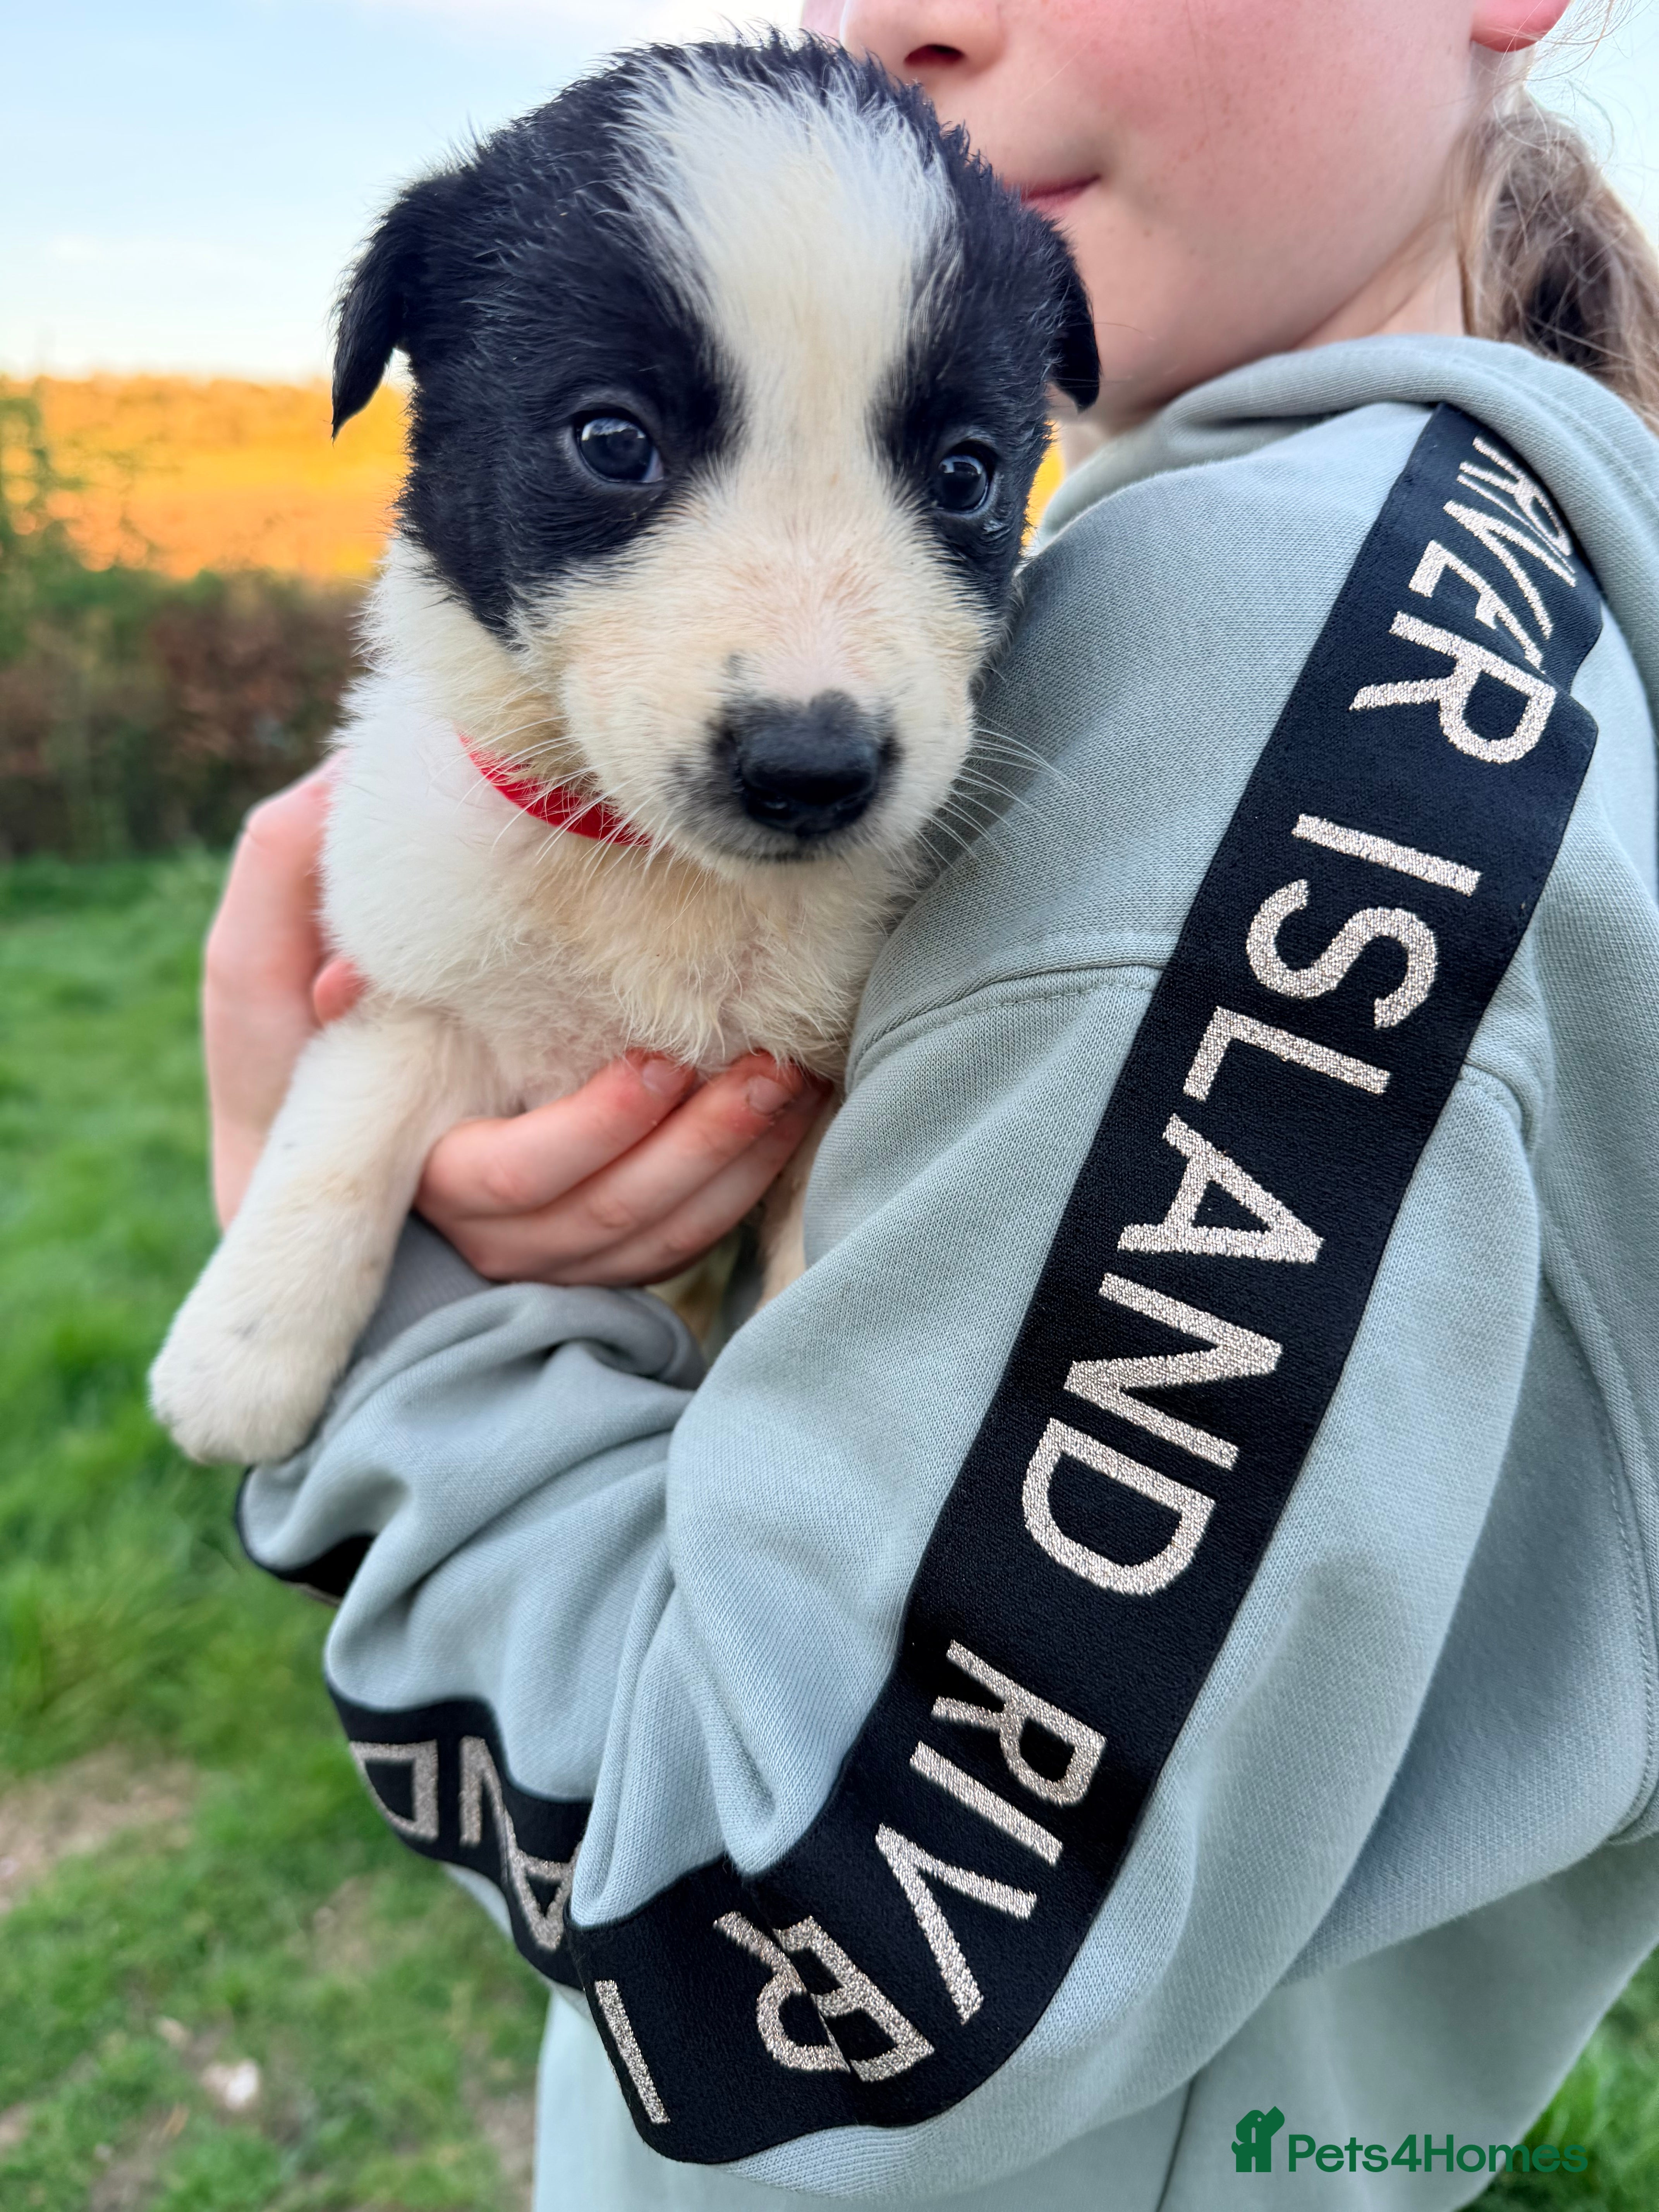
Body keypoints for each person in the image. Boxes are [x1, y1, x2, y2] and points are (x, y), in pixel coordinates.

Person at [212, 2, 1659, 2204]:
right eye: (617, 440)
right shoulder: (1524, 606)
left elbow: (812, 1932)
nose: (900, 19)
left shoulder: (1262, 670)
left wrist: (412, 1350)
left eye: (958, 472)